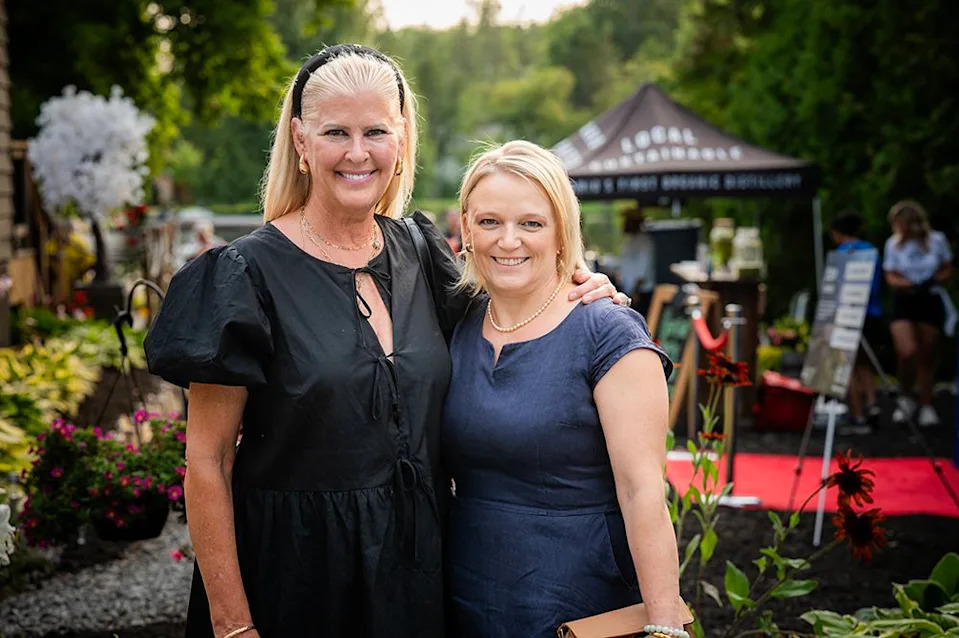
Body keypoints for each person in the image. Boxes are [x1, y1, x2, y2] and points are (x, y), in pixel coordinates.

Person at [144, 45, 624, 638]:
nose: (356, 152)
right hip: (293, 580)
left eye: (375, 131)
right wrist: (233, 623)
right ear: (300, 140)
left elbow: (510, 310)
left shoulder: (421, 254)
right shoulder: (244, 276)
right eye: (335, 132)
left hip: (415, 578)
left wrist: (575, 283)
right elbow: (207, 463)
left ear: (401, 139)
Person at [443, 141, 687, 637]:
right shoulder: (455, 320)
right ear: (466, 230)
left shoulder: (607, 332)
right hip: (463, 596)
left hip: (577, 601)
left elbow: (643, 492)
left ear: (561, 232)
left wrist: (666, 627)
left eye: (531, 223)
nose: (508, 240)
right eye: (489, 222)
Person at [883, 200, 955, 427]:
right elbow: (890, 274)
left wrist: (932, 281)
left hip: (929, 298)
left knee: (926, 354)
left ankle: (926, 403)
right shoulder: (893, 244)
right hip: (905, 300)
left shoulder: (936, 241)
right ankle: (905, 395)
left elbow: (948, 267)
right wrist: (907, 285)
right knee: (907, 351)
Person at [829, 211, 883, 435]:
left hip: (847, 315)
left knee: (846, 365)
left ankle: (857, 415)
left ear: (837, 233)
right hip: (871, 313)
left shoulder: (841, 253)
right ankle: (871, 403)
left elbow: (834, 288)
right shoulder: (871, 251)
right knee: (864, 364)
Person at [619, 206, 656, 316]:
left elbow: (643, 269)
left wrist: (636, 291)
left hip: (640, 292)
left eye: (627, 220)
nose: (624, 223)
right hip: (630, 290)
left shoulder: (644, 241)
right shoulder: (629, 240)